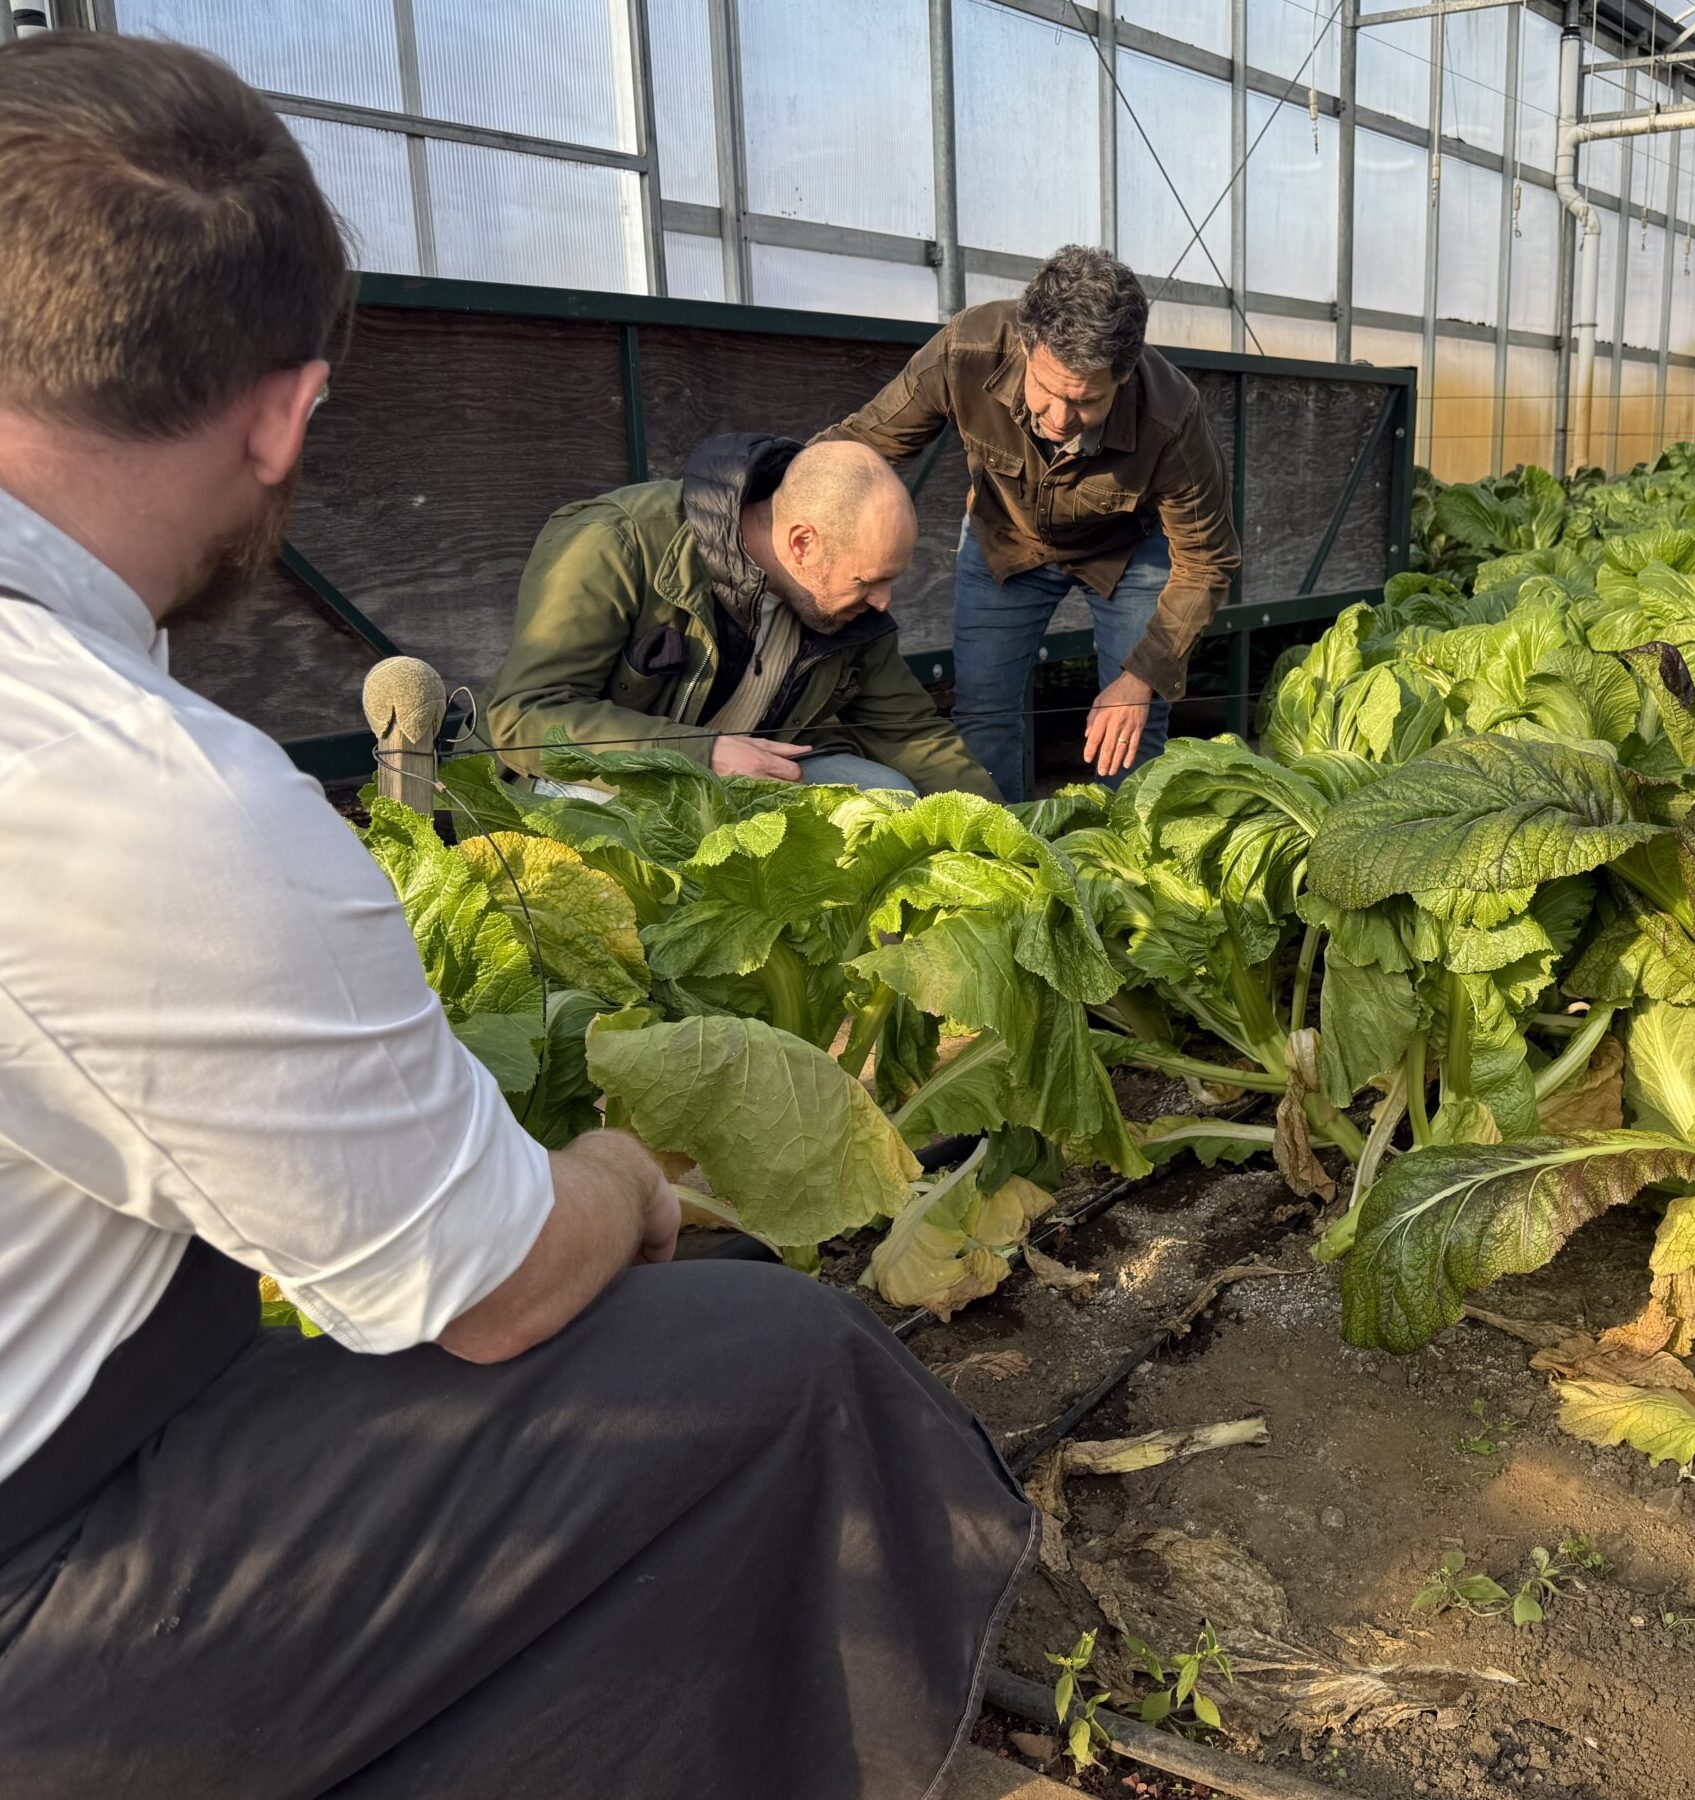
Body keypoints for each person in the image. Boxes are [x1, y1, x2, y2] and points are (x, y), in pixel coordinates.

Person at [0, 34, 1034, 1799]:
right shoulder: (150, 797)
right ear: (288, 410)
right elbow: (480, 1295)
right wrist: (626, 1181)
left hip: (94, 1422)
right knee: (778, 1361)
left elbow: (902, 733)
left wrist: (982, 815)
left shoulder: (839, 612)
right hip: (49, 1590)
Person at [818, 245, 1241, 803]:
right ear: (1026, 342)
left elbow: (1206, 559)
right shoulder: (968, 350)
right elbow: (863, 443)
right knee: (984, 713)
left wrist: (1141, 678)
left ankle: (1126, 872)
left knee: (1132, 722)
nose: (1061, 420)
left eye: (1087, 401)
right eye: (1047, 391)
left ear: (1125, 373)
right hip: (1006, 542)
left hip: (1128, 553)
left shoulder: (1171, 414)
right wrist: (767, 491)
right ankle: (1007, 861)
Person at [480, 433, 1002, 801]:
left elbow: (913, 735)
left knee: (889, 798)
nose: (885, 600)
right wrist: (702, 754)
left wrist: (1010, 843)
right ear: (802, 543)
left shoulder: (847, 607)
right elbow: (525, 718)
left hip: (755, 775)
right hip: (610, 778)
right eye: (868, 580)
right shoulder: (616, 542)